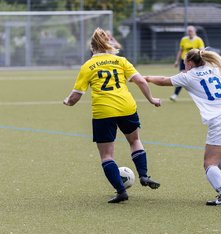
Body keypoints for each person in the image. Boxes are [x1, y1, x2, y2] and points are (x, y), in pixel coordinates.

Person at [145, 49, 221, 206]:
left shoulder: (189, 76)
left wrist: (145, 78)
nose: (184, 64)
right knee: (215, 159)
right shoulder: (218, 69)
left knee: (209, 163)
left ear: (190, 63)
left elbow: (163, 80)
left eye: (185, 61)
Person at [63, 27, 161, 204]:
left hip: (104, 112)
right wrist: (151, 98)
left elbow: (76, 96)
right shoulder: (120, 60)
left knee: (107, 155)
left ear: (92, 48)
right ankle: (144, 175)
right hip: (127, 107)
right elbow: (140, 80)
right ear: (108, 45)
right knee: (135, 141)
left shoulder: (87, 66)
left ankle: (121, 191)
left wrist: (67, 101)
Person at [171, 25, 205, 101]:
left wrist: (202, 60)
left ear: (194, 31)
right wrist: (177, 60)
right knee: (182, 77)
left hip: (194, 62)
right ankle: (175, 95)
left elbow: (202, 51)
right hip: (184, 61)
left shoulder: (198, 40)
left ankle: (201, 94)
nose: (189, 32)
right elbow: (180, 51)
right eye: (188, 31)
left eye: (191, 31)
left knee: (196, 78)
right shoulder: (184, 39)